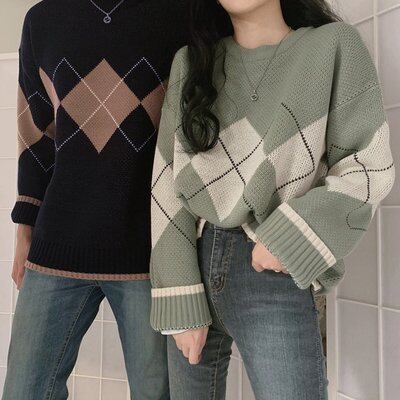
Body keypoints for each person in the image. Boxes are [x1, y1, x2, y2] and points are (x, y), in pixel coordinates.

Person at [150, 0, 395, 398]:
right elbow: (165, 182)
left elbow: (368, 166)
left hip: (272, 268)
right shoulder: (191, 63)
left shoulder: (333, 46)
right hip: (193, 259)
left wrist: (289, 238)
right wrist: (178, 289)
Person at [3, 0, 191, 398]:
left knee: (157, 394)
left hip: (150, 252)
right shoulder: (42, 20)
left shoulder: (184, 13)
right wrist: (24, 230)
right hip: (56, 246)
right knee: (23, 391)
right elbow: (37, 137)